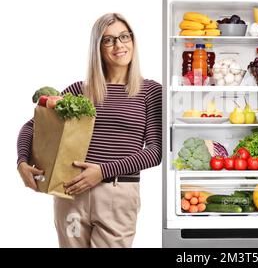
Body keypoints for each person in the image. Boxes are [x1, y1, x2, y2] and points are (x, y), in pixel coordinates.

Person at [16, 13, 162, 248]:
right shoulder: (79, 90)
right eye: (108, 40)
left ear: (133, 40)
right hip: (70, 192)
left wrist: (103, 171)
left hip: (118, 193)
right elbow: (33, 126)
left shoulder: (150, 91)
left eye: (124, 36)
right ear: (98, 47)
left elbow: (155, 152)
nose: (119, 45)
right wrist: (22, 162)